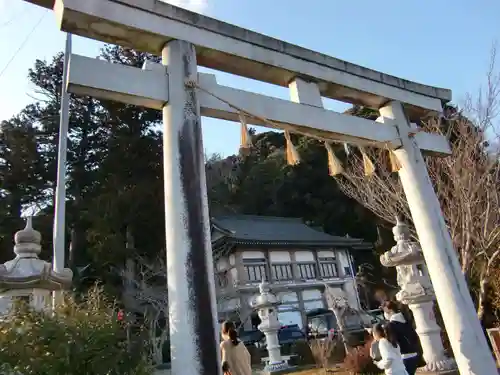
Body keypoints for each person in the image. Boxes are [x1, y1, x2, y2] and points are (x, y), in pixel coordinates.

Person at [382, 301, 422, 375]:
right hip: (414, 354)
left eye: (384, 311)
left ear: (389, 310)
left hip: (403, 357)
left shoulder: (391, 325)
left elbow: (392, 343)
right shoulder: (406, 320)